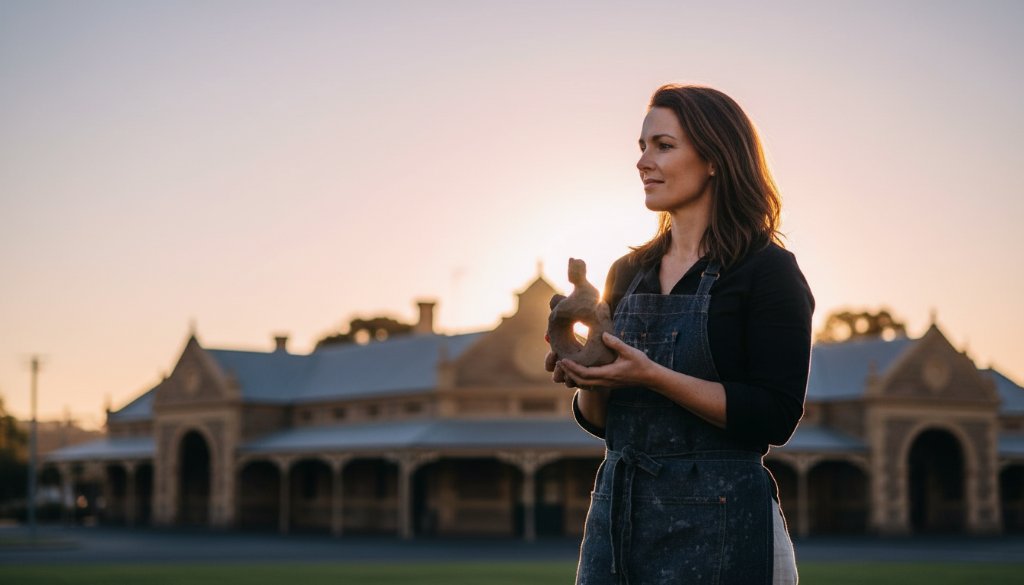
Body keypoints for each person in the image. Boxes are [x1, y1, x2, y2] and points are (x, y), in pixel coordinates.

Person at [546, 84, 814, 585]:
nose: (643, 162)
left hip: (723, 518)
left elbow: (774, 417)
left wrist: (653, 376)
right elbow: (601, 421)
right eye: (642, 147)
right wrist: (589, 375)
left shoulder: (766, 271)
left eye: (663, 146)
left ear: (715, 157)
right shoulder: (628, 272)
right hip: (617, 516)